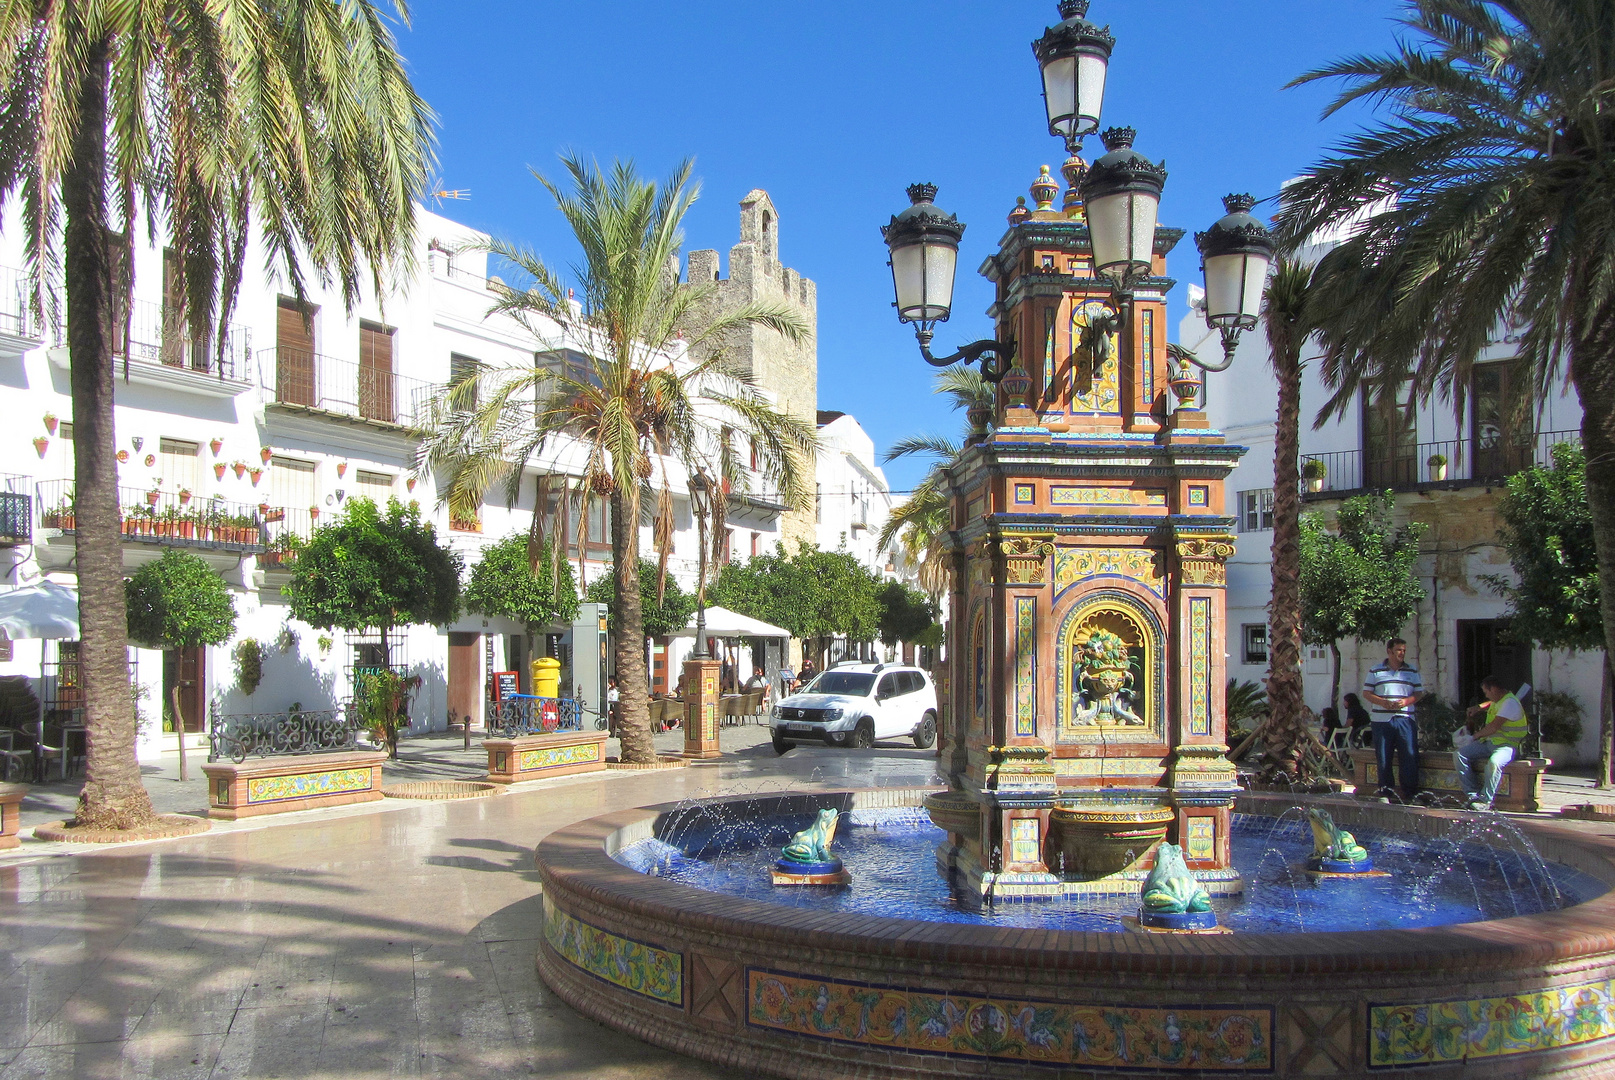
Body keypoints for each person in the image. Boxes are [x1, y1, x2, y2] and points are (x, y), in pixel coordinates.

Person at [1362, 638, 1425, 802]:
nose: (1402, 653)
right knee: (1383, 756)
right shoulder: (1375, 671)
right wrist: (1383, 702)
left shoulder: (1411, 671)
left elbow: (1419, 693)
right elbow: (1367, 693)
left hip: (1405, 719)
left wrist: (1406, 702)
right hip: (1382, 720)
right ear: (1389, 651)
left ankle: (1410, 793)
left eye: (1404, 650)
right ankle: (1385, 792)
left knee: (1409, 756)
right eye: (1398, 650)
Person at [1455, 676, 1529, 810]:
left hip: (1506, 746)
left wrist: (1474, 737)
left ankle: (1485, 800)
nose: (1486, 695)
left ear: (1494, 689)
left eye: (1486, 692)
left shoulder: (1510, 703)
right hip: (1489, 743)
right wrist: (1478, 707)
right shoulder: (1500, 700)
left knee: (1494, 763)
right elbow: (1490, 703)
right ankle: (1472, 795)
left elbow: (1493, 727)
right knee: (1460, 754)